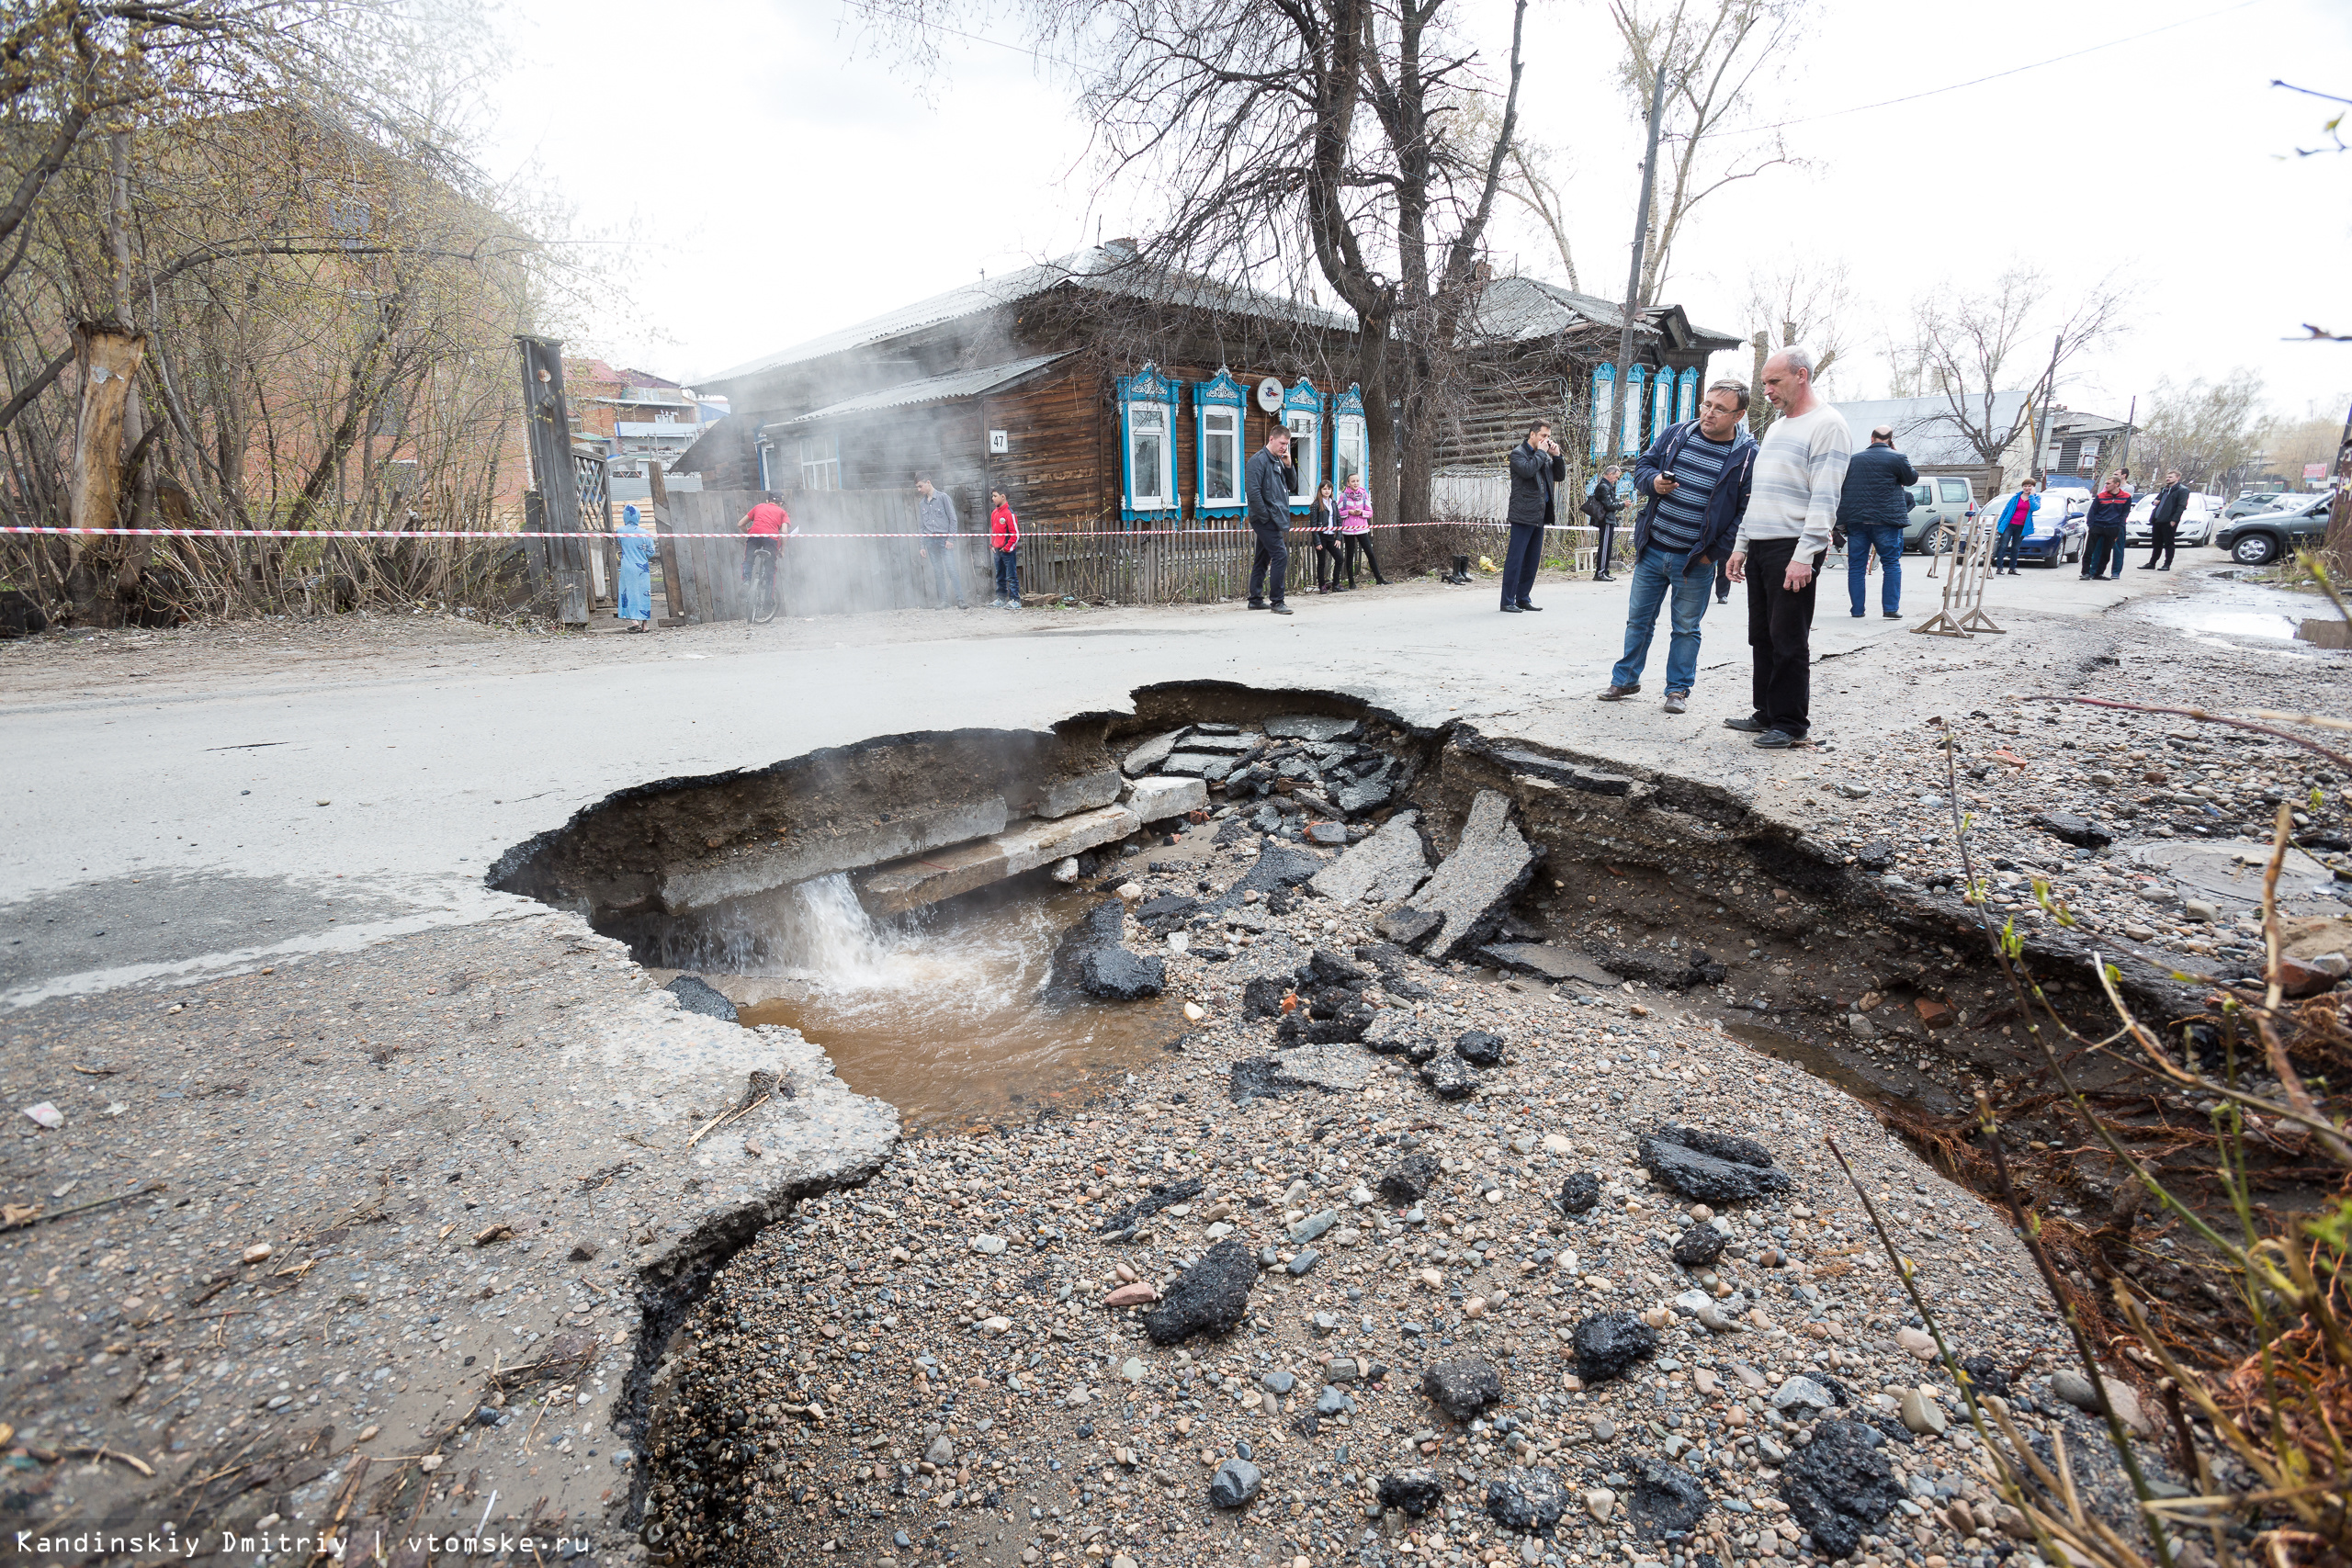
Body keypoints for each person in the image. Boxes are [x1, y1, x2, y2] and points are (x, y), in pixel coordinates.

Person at [1594, 378, 1758, 714]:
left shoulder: (1747, 457)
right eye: (1707, 404)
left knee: (1685, 628)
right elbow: (1643, 467)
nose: (1709, 413)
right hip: (1653, 548)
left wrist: (1713, 554)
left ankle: (1677, 691)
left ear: (1738, 415)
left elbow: (1745, 511)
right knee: (1637, 621)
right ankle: (1625, 680)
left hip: (1695, 561)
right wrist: (1653, 483)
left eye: (1720, 409)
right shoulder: (1676, 434)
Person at [1724, 346, 1851, 750]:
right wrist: (1741, 544)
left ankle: (1792, 723)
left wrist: (1805, 555)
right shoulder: (1777, 428)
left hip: (1792, 547)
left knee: (1788, 638)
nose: (1767, 391)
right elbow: (1759, 494)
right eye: (1764, 383)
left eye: (1774, 382)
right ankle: (1766, 712)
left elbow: (1825, 498)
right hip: (1761, 544)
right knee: (1761, 635)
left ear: (1801, 375)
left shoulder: (1828, 425)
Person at [1836, 423, 1917, 620]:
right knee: (1891, 563)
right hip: (1886, 521)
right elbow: (1911, 479)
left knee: (1856, 566)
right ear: (1890, 439)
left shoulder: (1853, 460)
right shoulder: (1898, 458)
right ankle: (1890, 608)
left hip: (1857, 520)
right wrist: (1895, 454)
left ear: (1871, 438)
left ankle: (1857, 610)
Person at [1501, 419, 1566, 613]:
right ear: (1532, 435)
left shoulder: (1544, 455)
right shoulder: (1518, 454)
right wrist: (1541, 453)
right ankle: (1507, 601)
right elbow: (1528, 471)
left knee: (1532, 561)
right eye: (1543, 436)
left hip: (1540, 514)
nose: (1547, 439)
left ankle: (1523, 598)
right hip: (1522, 514)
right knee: (1516, 559)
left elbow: (1559, 476)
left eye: (1548, 436)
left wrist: (1557, 457)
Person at [1244, 425, 1295, 615]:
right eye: (1282, 443)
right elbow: (1253, 492)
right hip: (1265, 519)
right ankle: (1277, 601)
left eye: (1287, 444)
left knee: (1262, 558)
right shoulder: (1258, 461)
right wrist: (1265, 517)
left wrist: (1289, 465)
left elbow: (1291, 485)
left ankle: (1255, 599)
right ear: (1271, 439)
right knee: (1280, 556)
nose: (1284, 447)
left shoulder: (1279, 460)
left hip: (1276, 517)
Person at [914, 478, 967, 610]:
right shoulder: (922, 504)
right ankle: (944, 601)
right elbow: (921, 526)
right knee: (938, 571)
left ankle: (960, 600)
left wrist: (950, 539)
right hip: (930, 542)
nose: (918, 490)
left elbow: (953, 519)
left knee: (951, 569)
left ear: (928, 482)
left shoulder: (943, 498)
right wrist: (922, 545)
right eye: (917, 487)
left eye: (920, 486)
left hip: (944, 541)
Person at [738, 492, 789, 603]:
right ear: (780, 503)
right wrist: (782, 550)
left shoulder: (759, 507)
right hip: (771, 539)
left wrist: (750, 533)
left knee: (748, 561)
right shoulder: (782, 512)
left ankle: (746, 581)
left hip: (754, 536)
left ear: (768, 500)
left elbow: (740, 524)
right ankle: (768, 600)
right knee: (770, 569)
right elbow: (784, 532)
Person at [2081, 471, 2132, 580]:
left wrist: (2119, 526)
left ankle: (2099, 573)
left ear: (2116, 484)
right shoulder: (2101, 496)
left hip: (2112, 527)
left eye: (2109, 483)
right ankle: (2086, 572)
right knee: (2090, 550)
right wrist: (2091, 525)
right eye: (2106, 483)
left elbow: (2125, 513)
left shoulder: (2126, 497)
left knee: (2106, 552)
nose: (2106, 485)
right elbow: (2092, 512)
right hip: (2098, 526)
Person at [1339, 472, 1385, 587]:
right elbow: (1338, 513)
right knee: (1350, 555)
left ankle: (1379, 579)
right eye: (1353, 481)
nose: (1356, 483)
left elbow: (1370, 513)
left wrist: (1361, 513)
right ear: (1348, 483)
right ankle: (1351, 582)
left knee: (1370, 553)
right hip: (1348, 529)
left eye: (1357, 481)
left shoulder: (1364, 495)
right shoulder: (1343, 496)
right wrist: (1348, 512)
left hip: (1362, 528)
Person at [1581, 464, 1624, 581]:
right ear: (1610, 474)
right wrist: (1623, 505)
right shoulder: (1604, 487)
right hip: (1605, 520)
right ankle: (1600, 573)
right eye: (1616, 477)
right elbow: (1609, 505)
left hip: (1609, 520)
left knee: (1608, 547)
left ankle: (1605, 571)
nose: (1616, 480)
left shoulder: (1607, 487)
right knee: (1604, 547)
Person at [617, 502, 655, 633]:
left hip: (627, 567)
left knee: (628, 593)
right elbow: (651, 552)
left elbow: (619, 543)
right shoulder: (645, 533)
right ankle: (645, 625)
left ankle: (634, 621)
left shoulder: (620, 531)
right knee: (644, 593)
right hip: (642, 568)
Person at [1990, 479, 2040, 574]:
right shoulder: (2015, 497)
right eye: (2025, 486)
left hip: (2021, 527)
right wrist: (1999, 525)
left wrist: (2032, 496)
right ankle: (1999, 568)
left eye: (2029, 486)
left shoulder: (2035, 498)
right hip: (2009, 525)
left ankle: (2012, 568)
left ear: (2033, 487)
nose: (2027, 488)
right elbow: (2005, 511)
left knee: (2015, 548)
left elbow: (2035, 508)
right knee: (2003, 546)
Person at [2143, 470, 2188, 570]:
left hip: (2169, 520)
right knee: (2156, 542)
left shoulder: (2182, 490)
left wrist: (2174, 520)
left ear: (2177, 478)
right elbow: (2156, 500)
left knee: (2168, 543)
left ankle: (2167, 564)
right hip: (2158, 519)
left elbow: (2181, 506)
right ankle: (2152, 563)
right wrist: (2154, 502)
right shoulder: (2165, 489)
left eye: (2171, 477)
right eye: (2167, 477)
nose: (2168, 479)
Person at [988, 488, 1021, 608]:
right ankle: (1001, 598)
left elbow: (1015, 534)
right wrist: (992, 544)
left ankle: (1015, 600)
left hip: (1007, 551)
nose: (993, 498)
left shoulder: (1009, 514)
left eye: (995, 496)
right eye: (992, 496)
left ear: (1003, 497)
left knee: (1011, 575)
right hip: (997, 550)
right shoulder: (994, 513)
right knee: (1000, 575)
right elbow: (994, 531)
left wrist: (1007, 548)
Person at [1310, 481, 1343, 592]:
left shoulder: (1333, 503)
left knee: (1339, 558)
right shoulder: (1316, 504)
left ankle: (1336, 584)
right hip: (1321, 536)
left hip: (1331, 536)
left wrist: (1338, 537)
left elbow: (1338, 520)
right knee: (1321, 562)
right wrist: (1317, 542)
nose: (1327, 491)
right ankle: (1322, 586)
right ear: (1320, 490)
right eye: (1324, 489)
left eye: (1329, 489)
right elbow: (1313, 525)